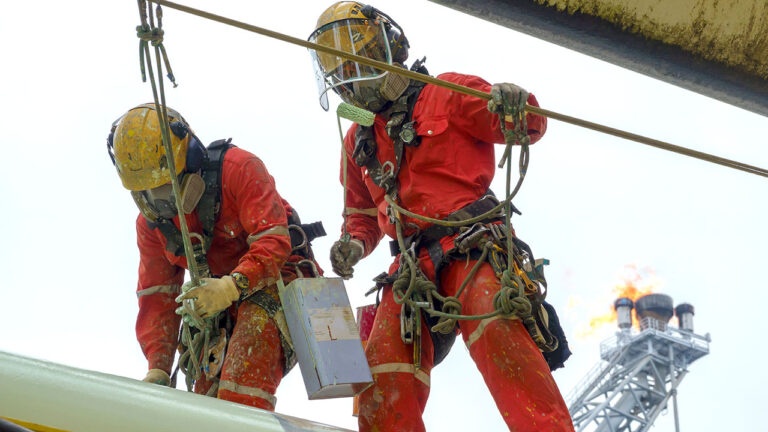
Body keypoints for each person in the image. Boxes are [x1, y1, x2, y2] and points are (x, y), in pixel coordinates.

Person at [308, 3, 574, 431]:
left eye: (352, 66)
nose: (349, 83)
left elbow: (529, 125)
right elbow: (361, 217)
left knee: (500, 336)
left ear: (385, 52)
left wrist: (513, 103)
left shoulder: (444, 91)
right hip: (410, 269)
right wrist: (353, 246)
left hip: (470, 243)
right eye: (341, 74)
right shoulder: (358, 139)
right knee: (381, 381)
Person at [107, 103, 324, 410]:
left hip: (279, 281)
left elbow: (274, 241)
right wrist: (158, 366)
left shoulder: (239, 169)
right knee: (205, 408)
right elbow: (158, 295)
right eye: (148, 194)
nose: (161, 202)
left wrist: (231, 286)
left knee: (241, 386)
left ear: (190, 160)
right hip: (221, 309)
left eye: (165, 188)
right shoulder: (153, 225)